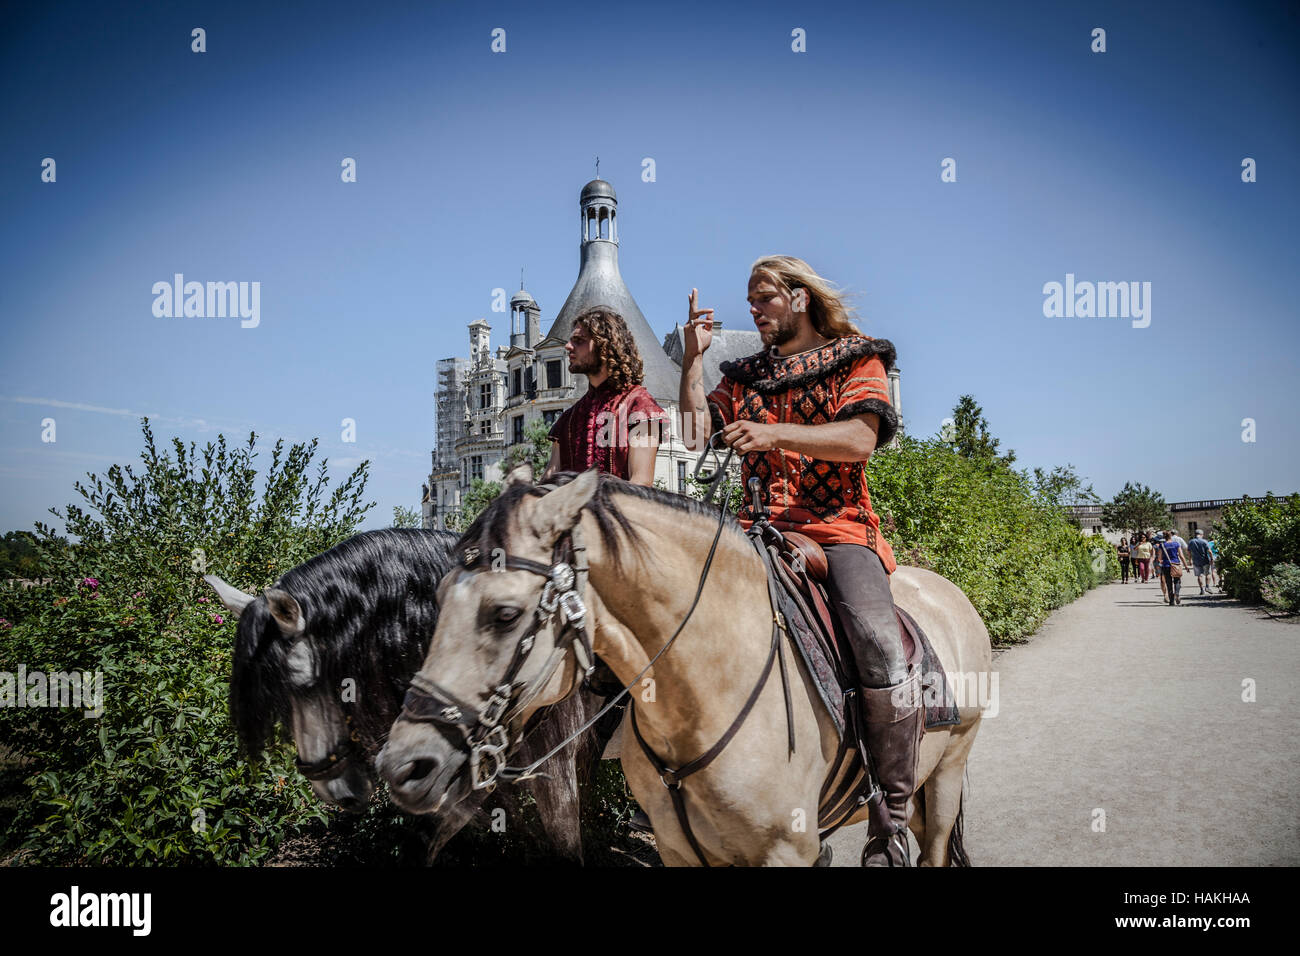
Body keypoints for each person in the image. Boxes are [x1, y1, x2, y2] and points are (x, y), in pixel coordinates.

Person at [678, 255, 913, 866]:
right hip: (755, 532)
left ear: (801, 299)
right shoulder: (746, 374)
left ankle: (891, 823)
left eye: (765, 298)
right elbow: (693, 435)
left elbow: (861, 440)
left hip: (839, 533)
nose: (753, 310)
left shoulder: (858, 357)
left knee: (878, 642)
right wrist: (693, 361)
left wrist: (772, 433)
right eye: (750, 301)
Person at [544, 306, 669, 486]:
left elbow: (640, 485)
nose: (568, 346)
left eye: (579, 340)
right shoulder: (568, 420)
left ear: (605, 346)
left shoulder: (640, 407)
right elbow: (548, 485)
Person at [1157, 527, 1189, 606]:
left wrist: (1161, 561)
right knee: (1177, 581)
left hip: (1166, 565)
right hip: (1176, 564)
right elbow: (1181, 556)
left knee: (1168, 582)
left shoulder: (1162, 545)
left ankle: (1171, 601)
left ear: (1164, 537)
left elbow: (1159, 558)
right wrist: (1186, 566)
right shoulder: (1176, 544)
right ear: (1171, 536)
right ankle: (1177, 594)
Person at [1188, 529, 1213, 595]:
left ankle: (1201, 589)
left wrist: (1190, 560)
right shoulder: (1204, 541)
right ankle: (1207, 587)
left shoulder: (1191, 542)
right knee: (1208, 574)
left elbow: (1189, 552)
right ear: (1202, 534)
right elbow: (1209, 551)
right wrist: (1212, 559)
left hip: (1196, 560)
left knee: (1199, 575)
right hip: (1205, 560)